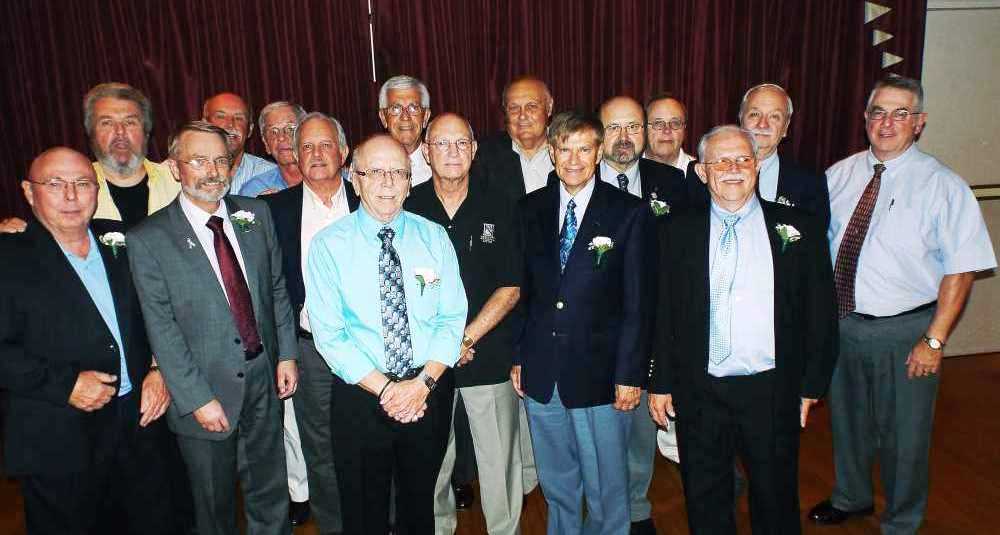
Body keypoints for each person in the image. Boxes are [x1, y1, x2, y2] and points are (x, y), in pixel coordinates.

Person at [808, 74, 996, 534]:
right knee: (848, 421)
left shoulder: (943, 185)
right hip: (843, 323)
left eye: (901, 113)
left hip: (906, 331)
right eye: (879, 112)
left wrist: (934, 341)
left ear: (919, 122)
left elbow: (962, 269)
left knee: (904, 434)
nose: (887, 123)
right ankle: (852, 496)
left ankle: (902, 520)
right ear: (865, 118)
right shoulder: (839, 175)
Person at [649, 125, 838, 534]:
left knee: (775, 497)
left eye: (743, 159)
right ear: (702, 172)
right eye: (721, 161)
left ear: (756, 167)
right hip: (700, 389)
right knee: (705, 498)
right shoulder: (675, 231)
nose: (733, 169)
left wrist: (812, 385)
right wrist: (661, 382)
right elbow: (663, 312)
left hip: (771, 388)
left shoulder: (800, 227)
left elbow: (821, 311)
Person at [128, 121, 299, 535]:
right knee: (214, 504)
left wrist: (287, 355)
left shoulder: (255, 214)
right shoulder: (149, 238)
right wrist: (196, 399)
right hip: (204, 389)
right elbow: (161, 328)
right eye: (199, 161)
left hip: (263, 377)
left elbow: (276, 287)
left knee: (270, 491)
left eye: (221, 161)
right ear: (175, 167)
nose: (213, 171)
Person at [0, 147, 175, 534]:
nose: (70, 195)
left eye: (82, 183)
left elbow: (162, 311)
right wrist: (65, 385)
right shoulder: (8, 256)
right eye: (55, 184)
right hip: (58, 436)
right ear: (28, 192)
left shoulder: (124, 239)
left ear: (96, 190)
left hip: (138, 423)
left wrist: (158, 368)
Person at [305, 134, 467, 534]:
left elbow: (452, 317)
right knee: (363, 512)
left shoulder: (434, 237)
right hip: (361, 394)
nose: (388, 182)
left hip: (428, 391)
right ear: (354, 179)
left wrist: (422, 384)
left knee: (419, 507)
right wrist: (389, 391)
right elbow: (330, 334)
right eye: (375, 172)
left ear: (410, 182)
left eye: (399, 172)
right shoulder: (328, 246)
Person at [513, 110, 651, 534]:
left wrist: (629, 374)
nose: (573, 159)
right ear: (552, 153)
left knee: (607, 483)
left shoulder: (628, 212)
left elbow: (638, 303)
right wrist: (519, 357)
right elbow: (524, 293)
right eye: (565, 149)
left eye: (584, 149)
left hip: (601, 374)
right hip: (543, 370)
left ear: (598, 153)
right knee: (557, 479)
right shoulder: (530, 209)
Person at [405, 113, 524, 535]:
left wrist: (465, 339)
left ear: (474, 150)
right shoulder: (408, 208)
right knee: (432, 461)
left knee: (498, 462)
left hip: (487, 353)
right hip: (425, 360)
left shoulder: (502, 203)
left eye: (461, 143)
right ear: (426, 152)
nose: (452, 152)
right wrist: (442, 344)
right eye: (441, 143)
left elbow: (511, 286)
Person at [264, 111, 360, 534]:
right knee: (320, 448)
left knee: (374, 438)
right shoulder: (273, 210)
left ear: (343, 152)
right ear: (296, 155)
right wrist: (284, 352)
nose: (317, 154)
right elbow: (271, 289)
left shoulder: (370, 198)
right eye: (307, 147)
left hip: (368, 346)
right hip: (310, 348)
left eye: (325, 145)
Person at [598, 94, 688, 535]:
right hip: (594, 333)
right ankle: (599, 506)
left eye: (633, 126)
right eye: (613, 127)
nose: (624, 137)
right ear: (599, 134)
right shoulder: (575, 178)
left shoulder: (672, 182)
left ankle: (636, 508)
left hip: (651, 327)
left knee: (638, 429)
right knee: (597, 430)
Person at [471, 76, 555, 201]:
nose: (522, 116)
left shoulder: (569, 149)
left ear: (549, 107)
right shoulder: (482, 155)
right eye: (514, 108)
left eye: (531, 106)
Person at [202, 92, 277, 194]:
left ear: (250, 130)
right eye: (221, 116)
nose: (230, 124)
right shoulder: (186, 171)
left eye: (239, 118)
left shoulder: (270, 175)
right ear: (205, 125)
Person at [240, 101, 308, 197]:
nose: (281, 137)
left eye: (290, 129)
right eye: (273, 132)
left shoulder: (327, 178)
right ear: (266, 144)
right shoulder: (255, 190)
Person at [378, 75, 433, 186]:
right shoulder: (368, 167)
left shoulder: (441, 166)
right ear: (383, 118)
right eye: (396, 108)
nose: (405, 117)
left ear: (426, 117)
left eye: (413, 108)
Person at [643, 92, 694, 172]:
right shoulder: (625, 172)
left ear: (684, 130)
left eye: (675, 123)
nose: (667, 130)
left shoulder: (701, 176)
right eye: (658, 123)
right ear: (644, 129)